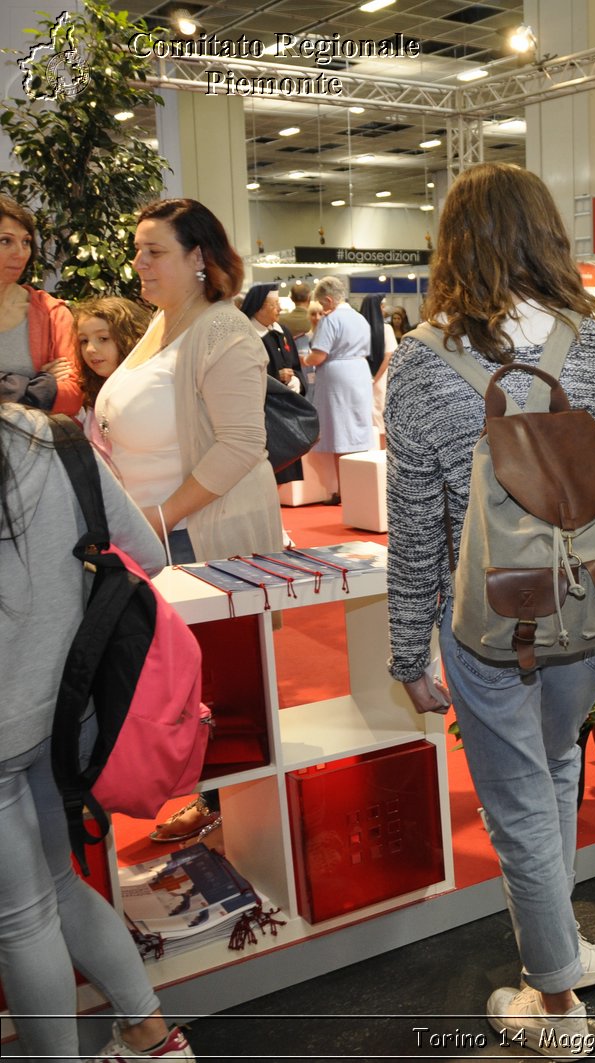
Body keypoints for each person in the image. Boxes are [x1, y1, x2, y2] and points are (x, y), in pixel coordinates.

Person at [385, 161, 595, 1054]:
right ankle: (561, 950)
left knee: (518, 801)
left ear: (452, 247)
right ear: (546, 236)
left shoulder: (421, 365)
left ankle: (558, 1004)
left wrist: (405, 652)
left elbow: (417, 531)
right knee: (557, 771)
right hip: (585, 612)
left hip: (491, 624)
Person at [0, 404, 197, 1061]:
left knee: (23, 919)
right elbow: (144, 551)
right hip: (67, 718)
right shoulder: (48, 438)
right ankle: (150, 1033)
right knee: (56, 887)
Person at [99, 198, 284, 847]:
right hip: (157, 536)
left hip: (199, 535)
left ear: (198, 259)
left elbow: (239, 444)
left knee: (225, 684)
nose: (139, 263)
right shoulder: (162, 324)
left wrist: (155, 517)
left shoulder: (223, 331)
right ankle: (217, 802)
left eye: (154, 251)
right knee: (185, 677)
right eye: (138, 249)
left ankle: (235, 813)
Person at [0, 194, 81, 414]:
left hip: (34, 445)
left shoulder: (54, 313)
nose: (20, 253)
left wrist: (8, 388)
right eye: (5, 241)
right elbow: (53, 392)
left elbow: (72, 397)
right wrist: (40, 384)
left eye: (26, 242)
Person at [304, 275, 376, 502]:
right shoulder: (360, 318)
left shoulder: (331, 320)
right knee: (358, 428)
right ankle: (360, 487)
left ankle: (343, 490)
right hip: (360, 373)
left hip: (337, 377)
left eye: (322, 304)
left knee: (340, 433)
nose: (321, 309)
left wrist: (305, 360)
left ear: (328, 300)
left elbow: (319, 355)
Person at [240, 283, 307, 486]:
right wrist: (274, 376)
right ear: (259, 308)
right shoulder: (247, 334)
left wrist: (295, 380)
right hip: (260, 410)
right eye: (274, 305)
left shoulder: (282, 331)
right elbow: (243, 372)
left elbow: (295, 366)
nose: (279, 309)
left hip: (284, 409)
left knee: (281, 473)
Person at [73, 296, 152, 454]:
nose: (90, 349)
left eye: (103, 338)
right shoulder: (89, 395)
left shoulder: (150, 391)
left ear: (130, 337)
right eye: (84, 341)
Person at [359, 294, 396, 445]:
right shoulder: (386, 329)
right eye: (381, 306)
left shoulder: (358, 327)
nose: (384, 309)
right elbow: (389, 356)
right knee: (381, 420)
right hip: (380, 380)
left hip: (362, 377)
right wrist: (376, 378)